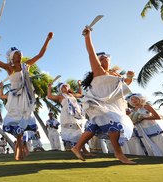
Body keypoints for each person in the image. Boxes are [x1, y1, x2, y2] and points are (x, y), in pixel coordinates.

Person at [71, 27, 136, 164]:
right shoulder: (98, 70)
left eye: (106, 57)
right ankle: (119, 153)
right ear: (98, 61)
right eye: (101, 57)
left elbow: (125, 86)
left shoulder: (115, 75)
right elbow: (90, 53)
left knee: (94, 127)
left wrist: (129, 76)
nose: (104, 58)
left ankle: (77, 147)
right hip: (98, 103)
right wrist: (87, 36)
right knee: (114, 124)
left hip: (109, 104)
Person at [0, 32, 53, 160]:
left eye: (20, 53)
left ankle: (21, 148)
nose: (19, 55)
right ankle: (19, 148)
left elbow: (40, 55)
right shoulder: (9, 68)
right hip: (14, 98)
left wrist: (47, 39)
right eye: (17, 53)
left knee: (24, 121)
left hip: (26, 97)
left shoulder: (26, 66)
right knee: (16, 120)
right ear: (12, 57)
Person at [47, 80, 91, 154]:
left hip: (75, 114)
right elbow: (49, 96)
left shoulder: (72, 95)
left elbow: (80, 94)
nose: (65, 86)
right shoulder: (60, 96)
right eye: (63, 86)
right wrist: (49, 87)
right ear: (61, 89)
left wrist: (79, 85)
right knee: (71, 131)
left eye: (66, 85)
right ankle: (79, 150)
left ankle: (82, 149)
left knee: (79, 130)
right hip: (66, 115)